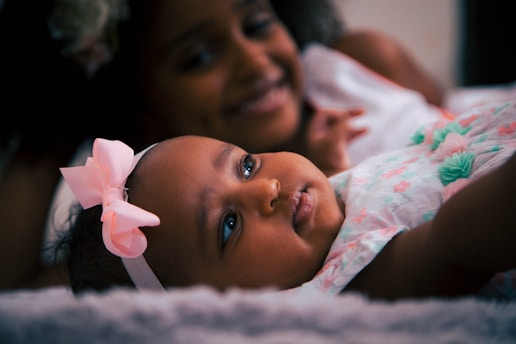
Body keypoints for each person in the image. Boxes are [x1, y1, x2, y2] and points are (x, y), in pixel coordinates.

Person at [0, 0, 449, 290]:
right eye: (198, 58)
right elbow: (14, 290)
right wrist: (55, 114)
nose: (253, 61)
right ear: (138, 108)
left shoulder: (356, 64)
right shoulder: (158, 243)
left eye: (255, 24)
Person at [59, 100, 516, 300]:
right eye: (228, 226)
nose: (267, 189)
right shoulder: (347, 285)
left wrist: (334, 158)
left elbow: (353, 193)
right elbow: (453, 246)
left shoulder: (322, 215)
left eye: (245, 165)